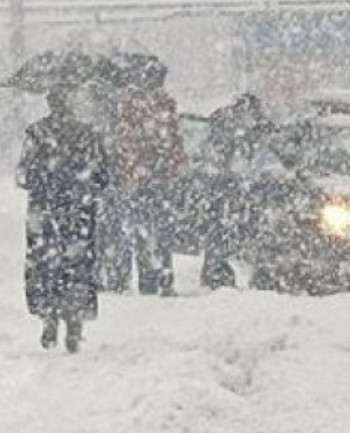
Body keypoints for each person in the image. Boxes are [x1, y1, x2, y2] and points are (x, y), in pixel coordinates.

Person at [16, 88, 109, 352]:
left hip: (42, 211)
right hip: (78, 210)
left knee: (45, 264)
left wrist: (45, 181)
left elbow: (22, 175)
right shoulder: (88, 134)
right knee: (77, 264)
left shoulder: (35, 133)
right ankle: (75, 321)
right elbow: (102, 176)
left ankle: (49, 318)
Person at [104, 80, 186, 296]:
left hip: (135, 181)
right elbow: (174, 146)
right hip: (155, 182)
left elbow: (121, 145)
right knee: (158, 233)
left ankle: (128, 279)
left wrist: (127, 171)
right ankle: (159, 278)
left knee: (131, 231)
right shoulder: (163, 106)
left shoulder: (126, 106)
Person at [199, 93, 279, 289]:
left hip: (240, 190)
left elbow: (265, 160)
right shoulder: (229, 131)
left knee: (225, 234)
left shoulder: (256, 132)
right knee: (223, 233)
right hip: (230, 189)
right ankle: (218, 273)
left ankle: (220, 273)